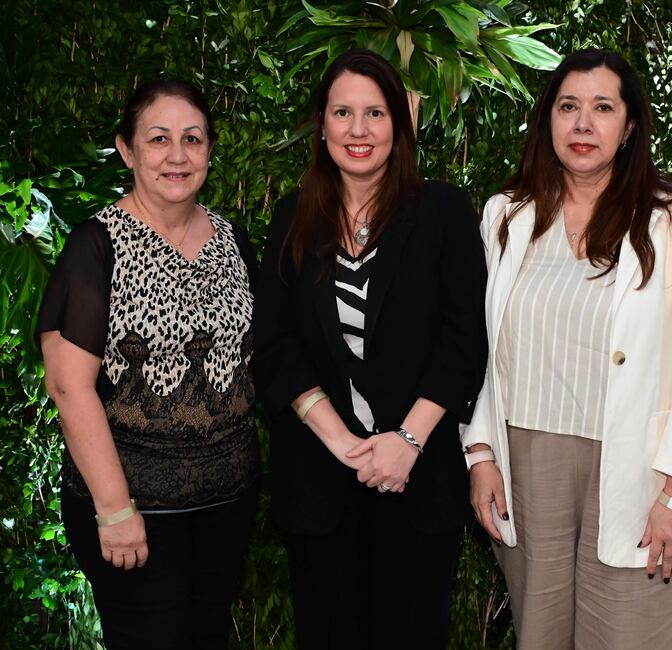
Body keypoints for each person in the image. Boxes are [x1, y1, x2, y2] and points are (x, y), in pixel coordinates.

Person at [463, 49, 672, 649]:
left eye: (602, 107)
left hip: (642, 469)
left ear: (629, 125)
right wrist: (480, 452)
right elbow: (479, 349)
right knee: (541, 635)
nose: (583, 124)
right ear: (548, 121)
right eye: (568, 107)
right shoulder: (506, 217)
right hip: (528, 469)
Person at [254, 48, 487, 649]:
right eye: (342, 113)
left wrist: (406, 441)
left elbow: (464, 341)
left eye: (375, 114)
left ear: (398, 125)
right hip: (320, 485)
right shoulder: (291, 217)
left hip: (419, 482)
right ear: (322, 123)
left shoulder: (443, 211)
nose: (358, 130)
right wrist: (345, 445)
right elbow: (275, 346)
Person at [37, 80, 259, 650]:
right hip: (133, 511)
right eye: (158, 139)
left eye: (193, 139)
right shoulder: (96, 246)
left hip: (225, 506)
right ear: (128, 150)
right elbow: (68, 387)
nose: (177, 156)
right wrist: (114, 511)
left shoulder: (234, 242)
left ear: (210, 149)